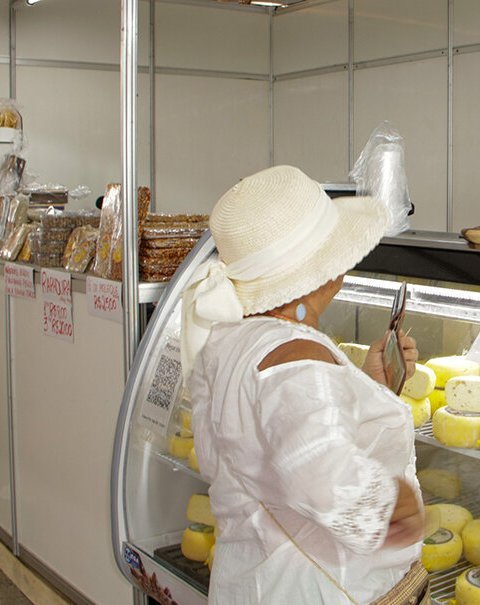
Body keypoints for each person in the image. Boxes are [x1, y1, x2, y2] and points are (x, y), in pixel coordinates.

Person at [180, 165, 427, 605]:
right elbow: (321, 477)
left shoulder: (229, 340)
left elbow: (263, 441)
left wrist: (368, 390)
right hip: (323, 590)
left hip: (253, 579)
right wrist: (398, 507)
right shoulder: (297, 357)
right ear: (316, 274)